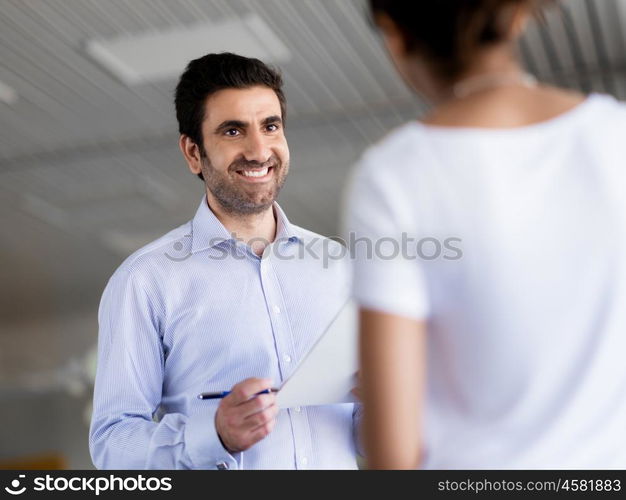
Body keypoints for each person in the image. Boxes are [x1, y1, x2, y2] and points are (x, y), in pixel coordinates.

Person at [345, 0, 626, 469]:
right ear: (516, 16)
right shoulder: (617, 136)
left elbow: (394, 452)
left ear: (394, 32)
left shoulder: (394, 175)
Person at [89, 52, 359, 470]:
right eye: (233, 131)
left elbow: (364, 431)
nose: (258, 150)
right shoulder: (147, 280)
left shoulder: (340, 267)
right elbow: (112, 445)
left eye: (270, 126)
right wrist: (214, 436)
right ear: (193, 153)